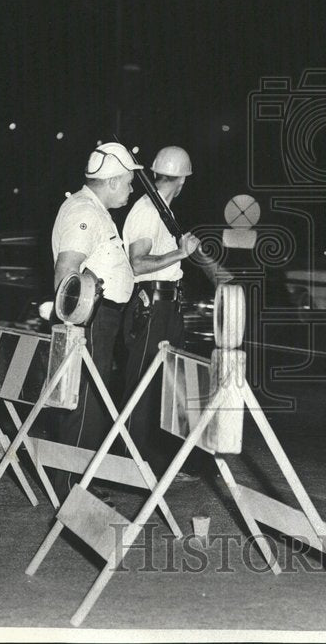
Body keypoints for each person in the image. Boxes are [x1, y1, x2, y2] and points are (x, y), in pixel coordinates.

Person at [49, 142, 141, 502]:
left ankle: (80, 481)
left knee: (91, 402)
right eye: (130, 183)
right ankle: (69, 490)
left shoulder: (95, 210)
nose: (132, 191)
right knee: (82, 401)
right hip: (90, 317)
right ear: (114, 180)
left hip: (98, 318)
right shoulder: (84, 211)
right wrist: (77, 325)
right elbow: (66, 269)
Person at [121, 146, 204, 479]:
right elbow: (137, 263)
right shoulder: (147, 210)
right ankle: (128, 466)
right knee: (140, 387)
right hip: (151, 305)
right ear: (183, 179)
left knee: (166, 387)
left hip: (168, 305)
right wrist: (179, 254)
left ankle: (157, 464)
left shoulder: (163, 209)